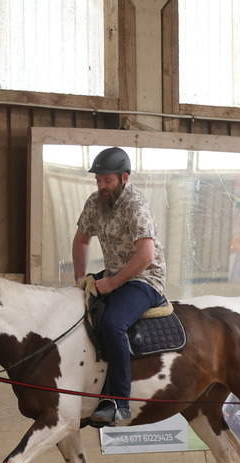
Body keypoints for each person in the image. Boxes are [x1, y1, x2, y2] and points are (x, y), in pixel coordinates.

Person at [72, 147, 166, 427]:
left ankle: (119, 403)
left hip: (144, 278)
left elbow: (145, 255)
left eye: (107, 181)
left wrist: (111, 284)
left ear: (124, 177)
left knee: (113, 323)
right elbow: (81, 240)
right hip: (112, 274)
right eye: (98, 180)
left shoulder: (136, 205)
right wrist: (80, 279)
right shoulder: (95, 202)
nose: (101, 186)